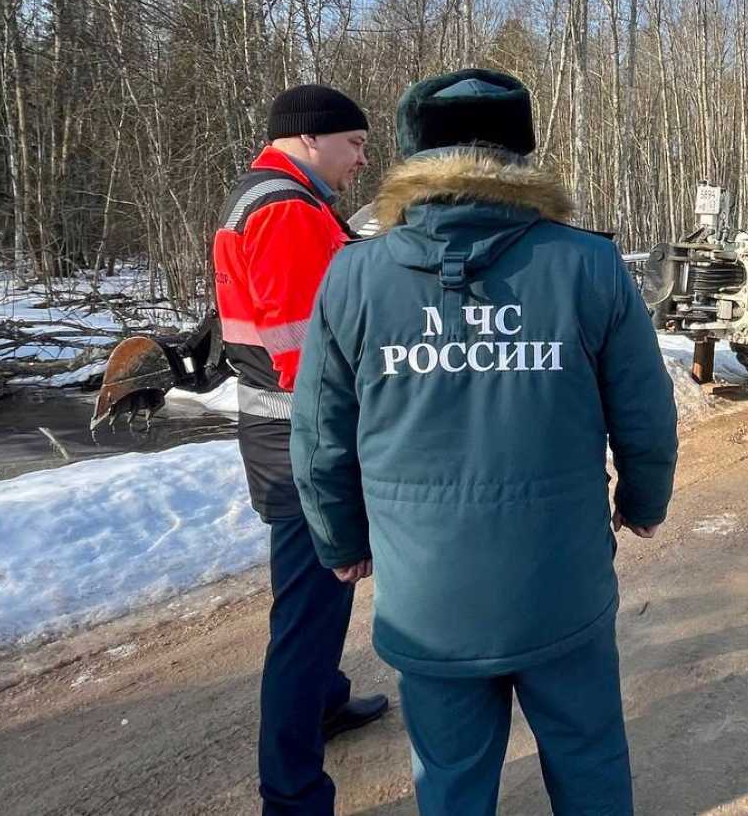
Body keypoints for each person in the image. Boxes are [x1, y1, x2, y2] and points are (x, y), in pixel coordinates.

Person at [290, 69, 679, 815]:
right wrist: (643, 501)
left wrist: (340, 540)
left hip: (427, 597)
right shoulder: (588, 264)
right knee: (588, 756)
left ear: (412, 157)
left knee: (451, 778)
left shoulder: (355, 274)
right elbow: (645, 411)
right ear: (522, 157)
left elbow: (319, 435)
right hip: (561, 585)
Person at [212, 83, 389, 815]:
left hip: (283, 433)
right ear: (313, 138)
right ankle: (291, 795)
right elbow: (306, 354)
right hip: (301, 443)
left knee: (318, 599)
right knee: (306, 618)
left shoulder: (267, 196)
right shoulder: (286, 211)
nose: (362, 160)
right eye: (354, 144)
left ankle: (328, 701)